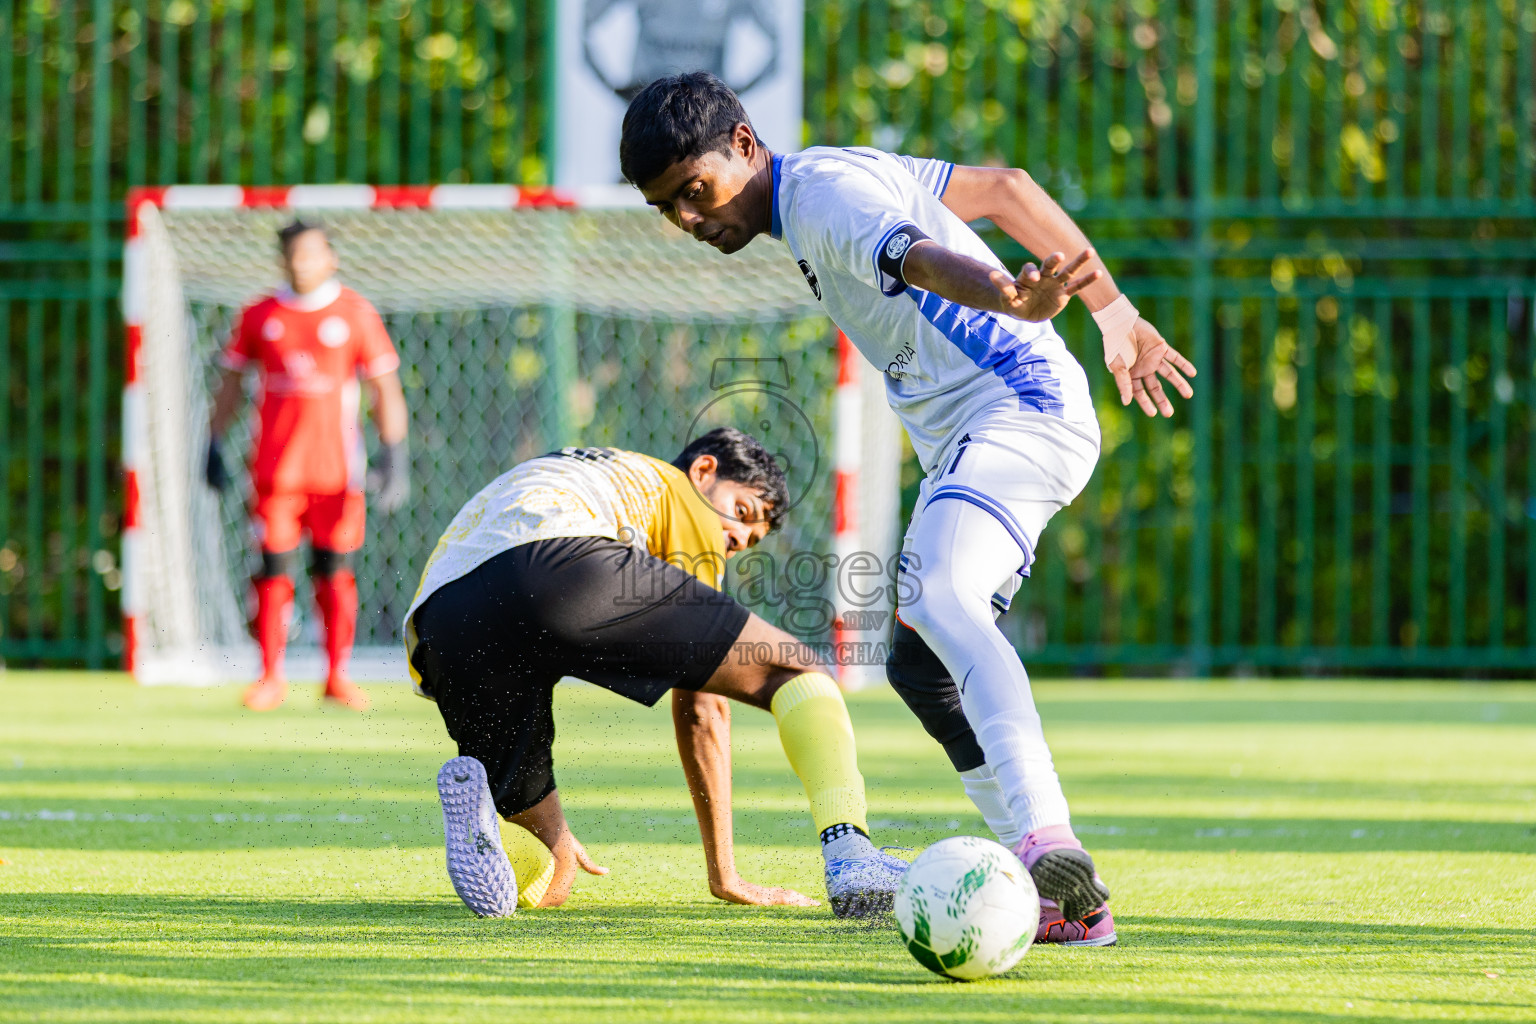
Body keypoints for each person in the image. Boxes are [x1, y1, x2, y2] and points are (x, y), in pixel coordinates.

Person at [619, 72, 1200, 947]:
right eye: (670, 210)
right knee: (921, 669)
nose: (691, 220)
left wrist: (1009, 298)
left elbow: (918, 258)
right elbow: (1006, 191)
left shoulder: (821, 198)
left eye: (695, 192)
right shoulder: (834, 170)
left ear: (743, 144)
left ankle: (1045, 838)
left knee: (940, 596)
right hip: (990, 425)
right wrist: (1113, 312)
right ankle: (1070, 907)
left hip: (1015, 406)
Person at [405, 428, 907, 918]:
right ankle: (853, 860)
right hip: (554, 562)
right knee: (798, 668)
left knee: (552, 874)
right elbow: (702, 709)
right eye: (741, 514)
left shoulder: (602, 469)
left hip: (444, 622)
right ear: (704, 471)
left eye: (746, 543)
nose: (733, 540)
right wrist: (724, 874)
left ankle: (487, 833)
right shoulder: (677, 490)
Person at [206, 220, 409, 713]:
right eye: (294, 255)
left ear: (330, 258)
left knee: (332, 571)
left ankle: (336, 678)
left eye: (312, 254)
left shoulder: (355, 313)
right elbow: (231, 386)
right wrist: (211, 441)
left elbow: (385, 390)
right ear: (283, 260)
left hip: (338, 473)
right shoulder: (259, 314)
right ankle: (269, 677)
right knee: (272, 568)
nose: (303, 263)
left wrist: (393, 455)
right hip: (275, 472)